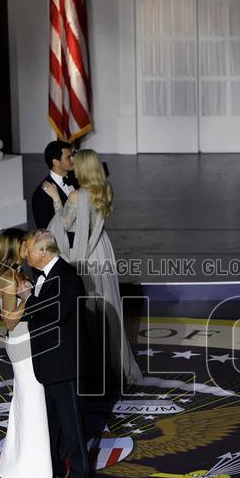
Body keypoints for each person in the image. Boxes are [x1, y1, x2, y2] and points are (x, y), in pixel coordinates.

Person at [42, 148, 142, 387]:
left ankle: (95, 369)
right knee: (107, 307)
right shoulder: (104, 189)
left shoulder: (78, 195)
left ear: (83, 168)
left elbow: (61, 226)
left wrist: (57, 200)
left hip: (87, 254)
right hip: (103, 250)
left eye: (76, 164)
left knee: (90, 310)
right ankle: (112, 366)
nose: (73, 167)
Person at [20, 230, 91, 478]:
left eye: (28, 249)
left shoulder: (67, 277)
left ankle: (81, 472)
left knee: (70, 421)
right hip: (50, 362)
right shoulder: (46, 276)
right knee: (53, 421)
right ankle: (56, 466)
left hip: (64, 363)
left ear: (43, 251)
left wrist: (29, 297)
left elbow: (55, 316)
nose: (25, 254)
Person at [0, 228, 54, 478]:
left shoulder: (20, 274)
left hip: (30, 340)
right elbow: (9, 321)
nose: (30, 248)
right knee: (31, 401)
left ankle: (27, 462)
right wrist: (31, 299)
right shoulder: (8, 278)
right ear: (17, 249)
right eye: (25, 245)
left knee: (30, 400)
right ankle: (31, 468)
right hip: (22, 342)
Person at [32, 141, 77, 242]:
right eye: (68, 157)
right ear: (56, 162)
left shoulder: (76, 180)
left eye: (72, 156)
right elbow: (45, 231)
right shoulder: (42, 193)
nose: (73, 160)